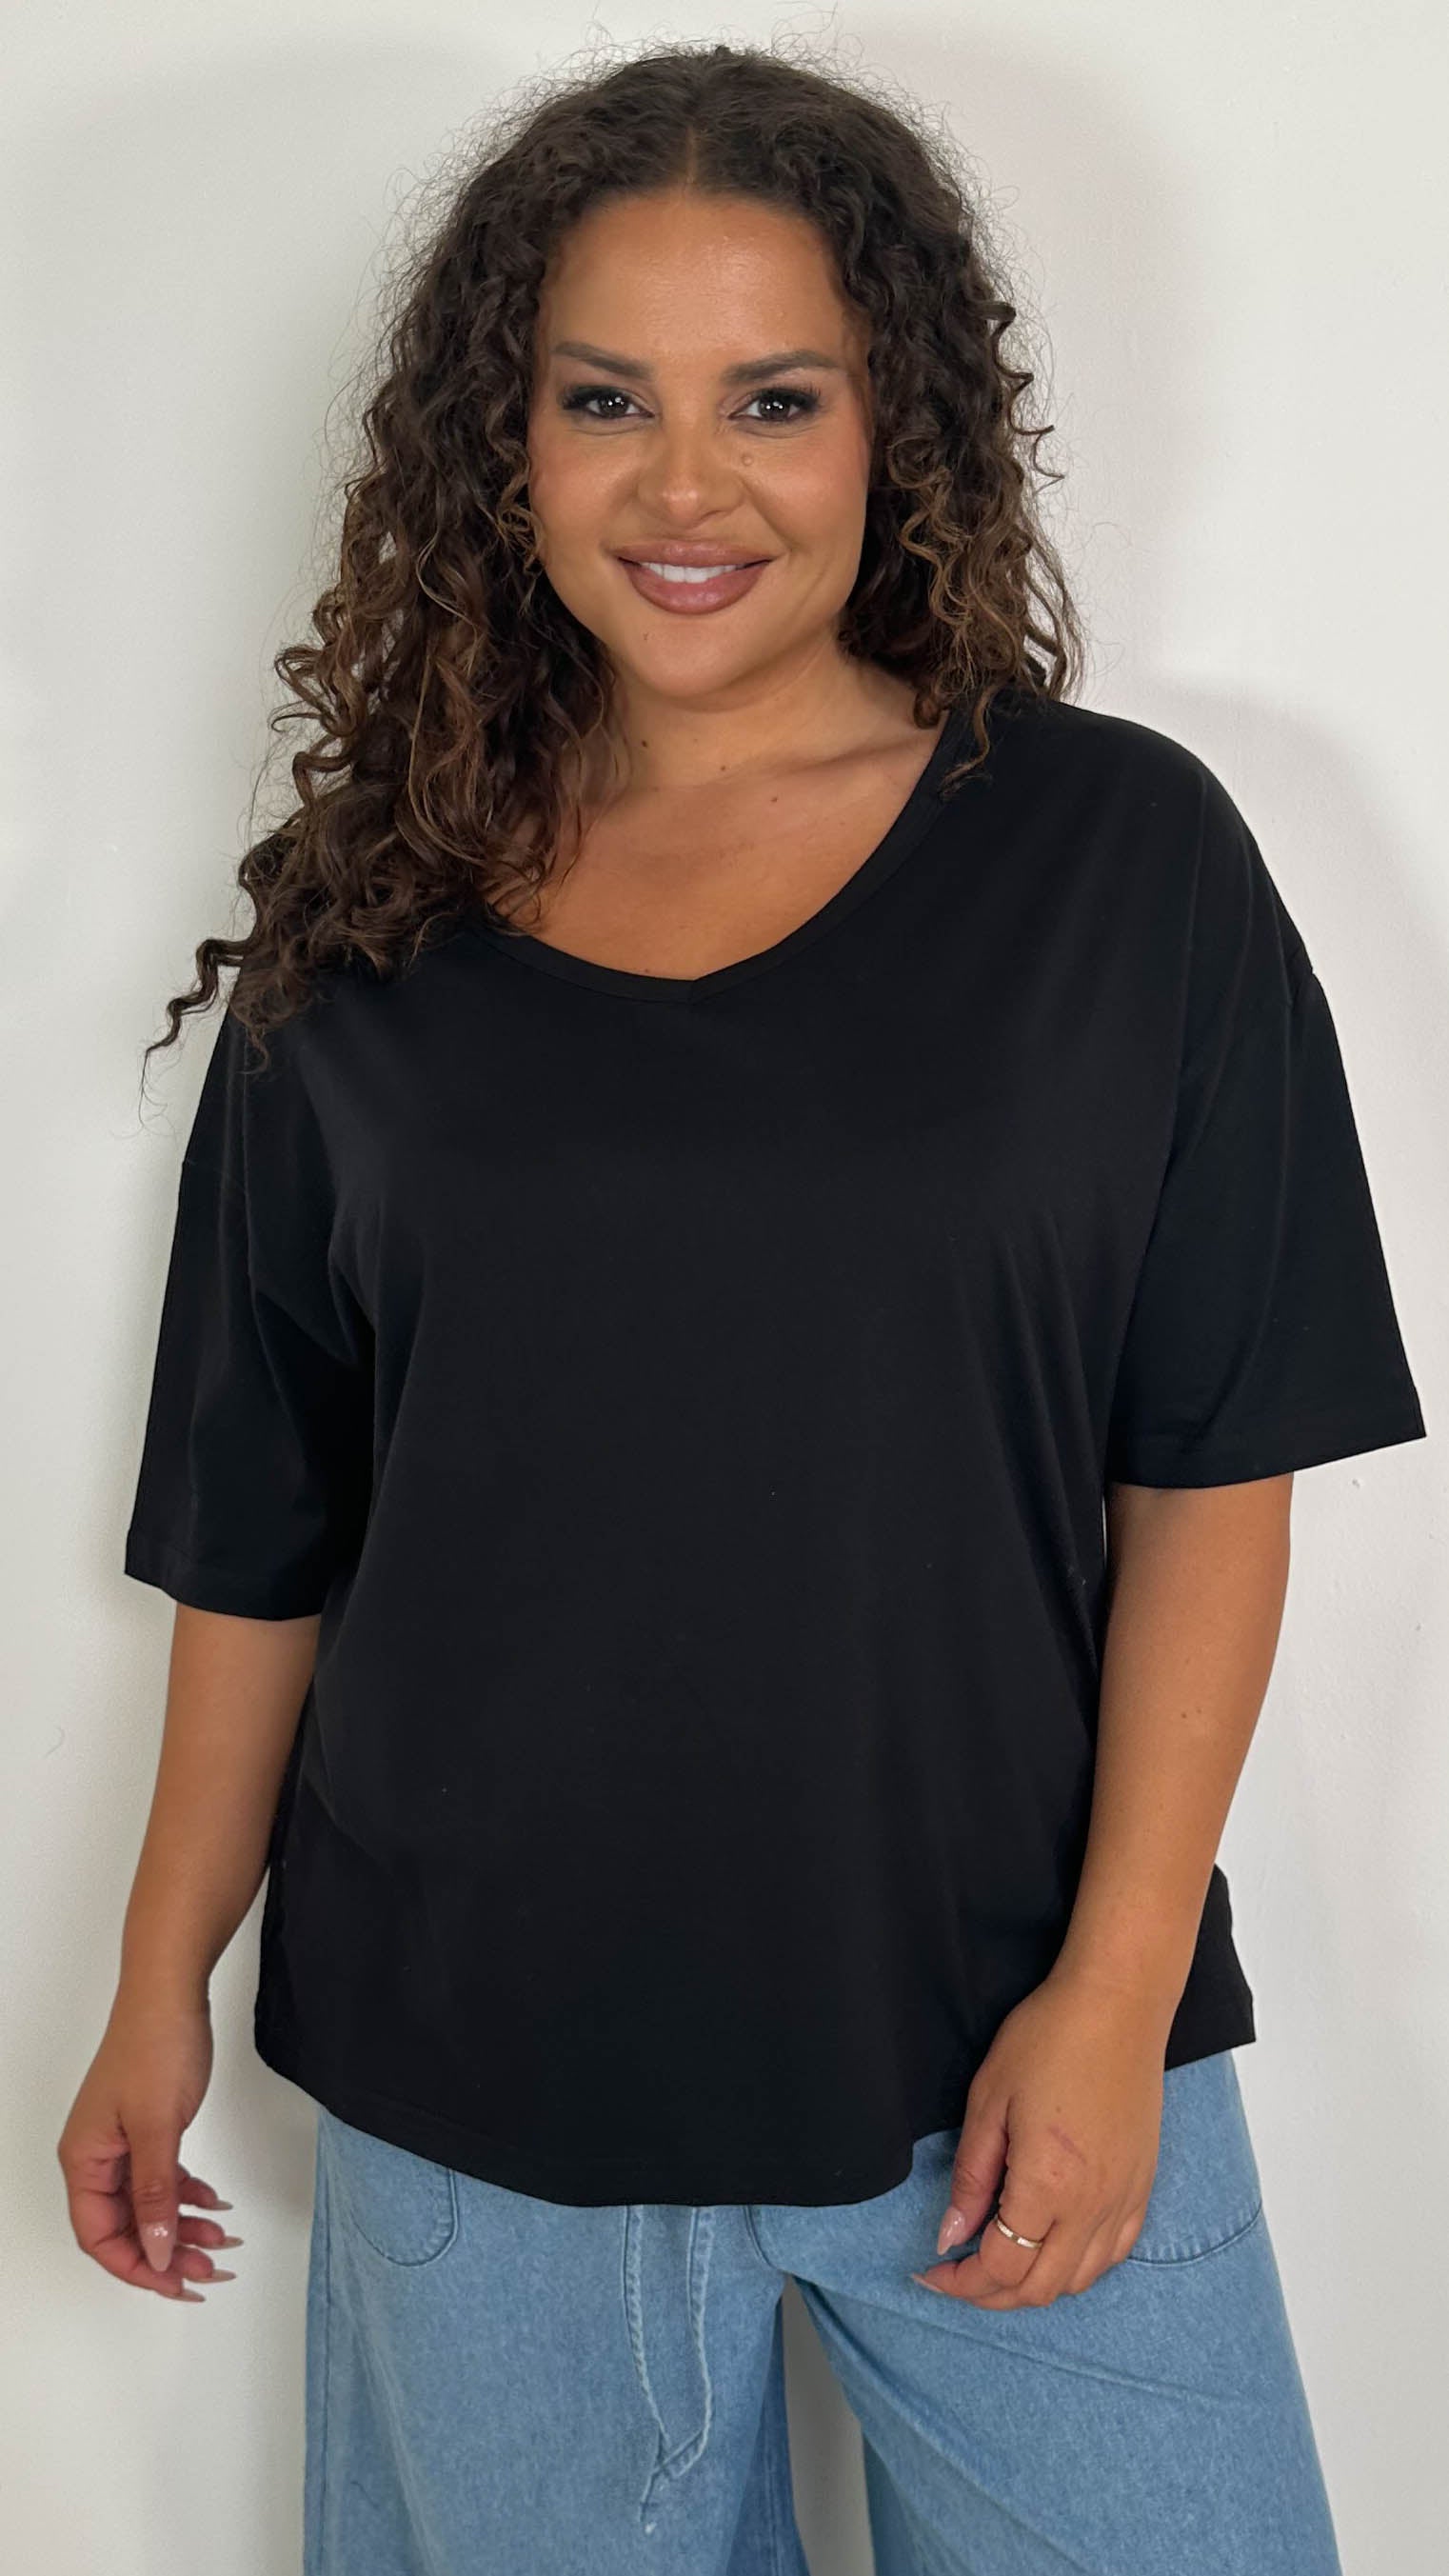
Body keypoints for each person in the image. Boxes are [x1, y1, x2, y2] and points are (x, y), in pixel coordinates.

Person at [60, 40, 1426, 2576]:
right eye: (605, 400)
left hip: (1011, 2055)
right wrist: (156, 1980)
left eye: (771, 399)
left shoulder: (1115, 862)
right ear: (505, 443)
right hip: (475, 2082)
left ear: (895, 428)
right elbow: (260, 1532)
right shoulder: (367, 917)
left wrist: (1116, 1991)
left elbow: (1209, 1467)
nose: (685, 487)